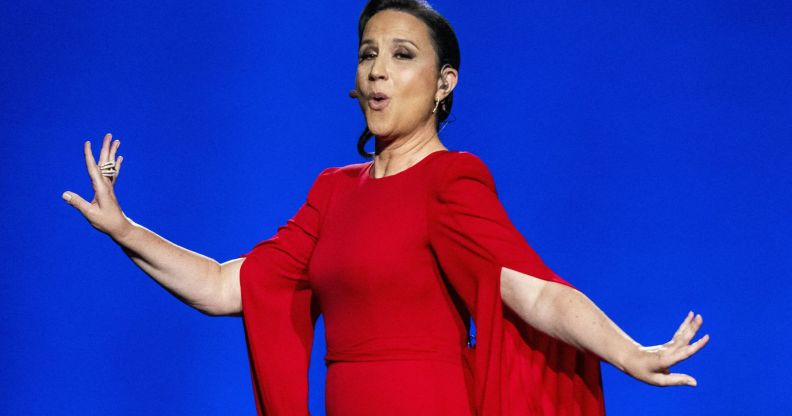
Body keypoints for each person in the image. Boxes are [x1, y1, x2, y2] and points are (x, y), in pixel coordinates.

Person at [62, 0, 709, 414]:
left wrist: (628, 353)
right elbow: (225, 285)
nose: (377, 70)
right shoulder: (332, 191)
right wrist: (124, 229)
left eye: (402, 56)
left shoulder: (452, 179)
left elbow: (533, 293)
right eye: (369, 53)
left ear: (443, 84)